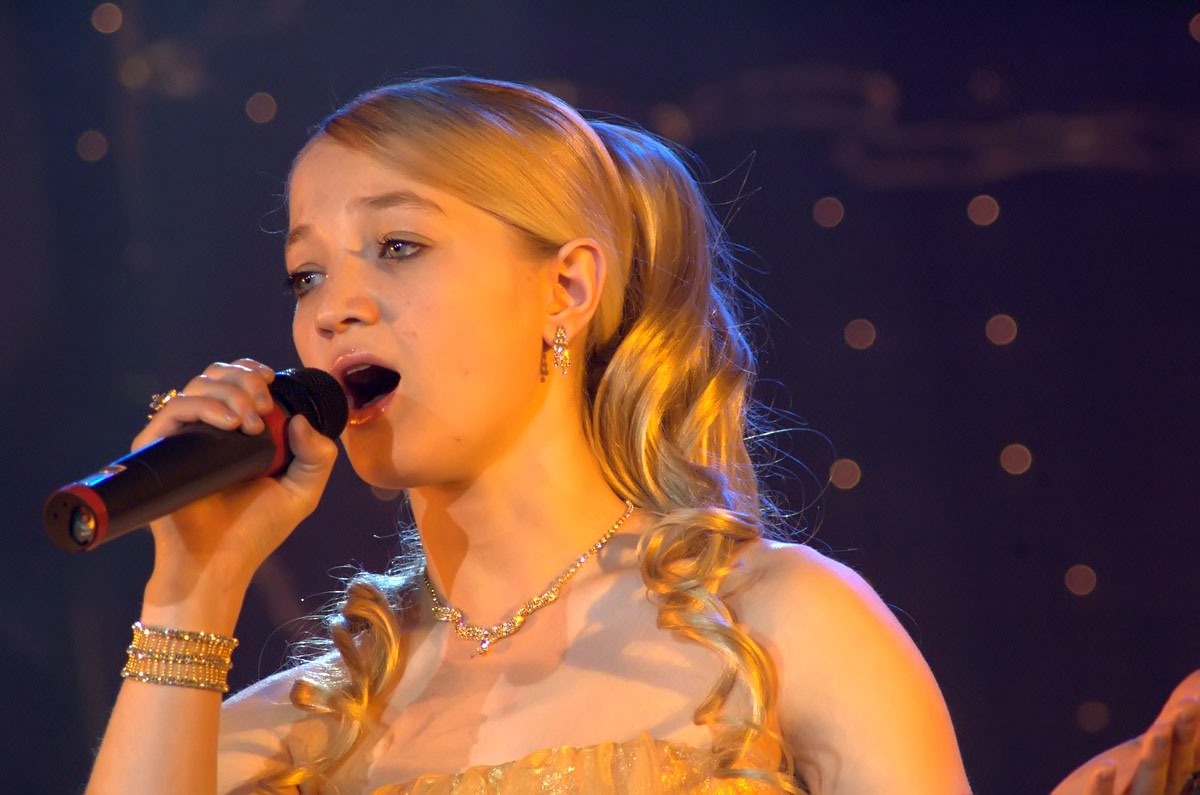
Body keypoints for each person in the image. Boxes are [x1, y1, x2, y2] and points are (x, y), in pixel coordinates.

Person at [83, 76, 1196, 794]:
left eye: (399, 247)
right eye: (306, 273)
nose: (335, 309)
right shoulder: (293, 730)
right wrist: (191, 593)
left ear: (567, 287)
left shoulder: (780, 629)